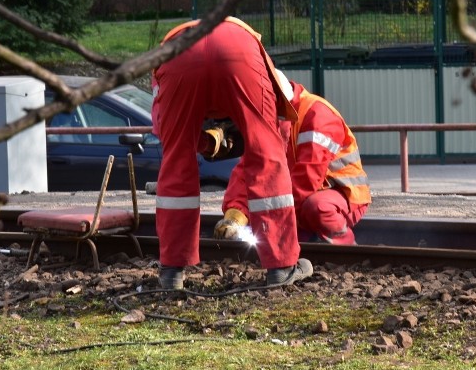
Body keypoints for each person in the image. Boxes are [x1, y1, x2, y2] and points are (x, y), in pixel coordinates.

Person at [151, 17, 313, 290]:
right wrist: (249, 136)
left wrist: (203, 141)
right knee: (267, 156)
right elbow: (275, 133)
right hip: (237, 46)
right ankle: (281, 267)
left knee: (176, 160)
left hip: (177, 52)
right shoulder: (276, 81)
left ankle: (171, 273)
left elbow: (165, 131)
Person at [215, 72, 371, 245]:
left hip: (343, 195)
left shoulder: (317, 114)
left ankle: (346, 246)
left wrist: (272, 217)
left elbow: (307, 179)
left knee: (316, 207)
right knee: (270, 220)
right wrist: (234, 215)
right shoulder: (272, 118)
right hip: (299, 196)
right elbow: (247, 170)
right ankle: (307, 243)